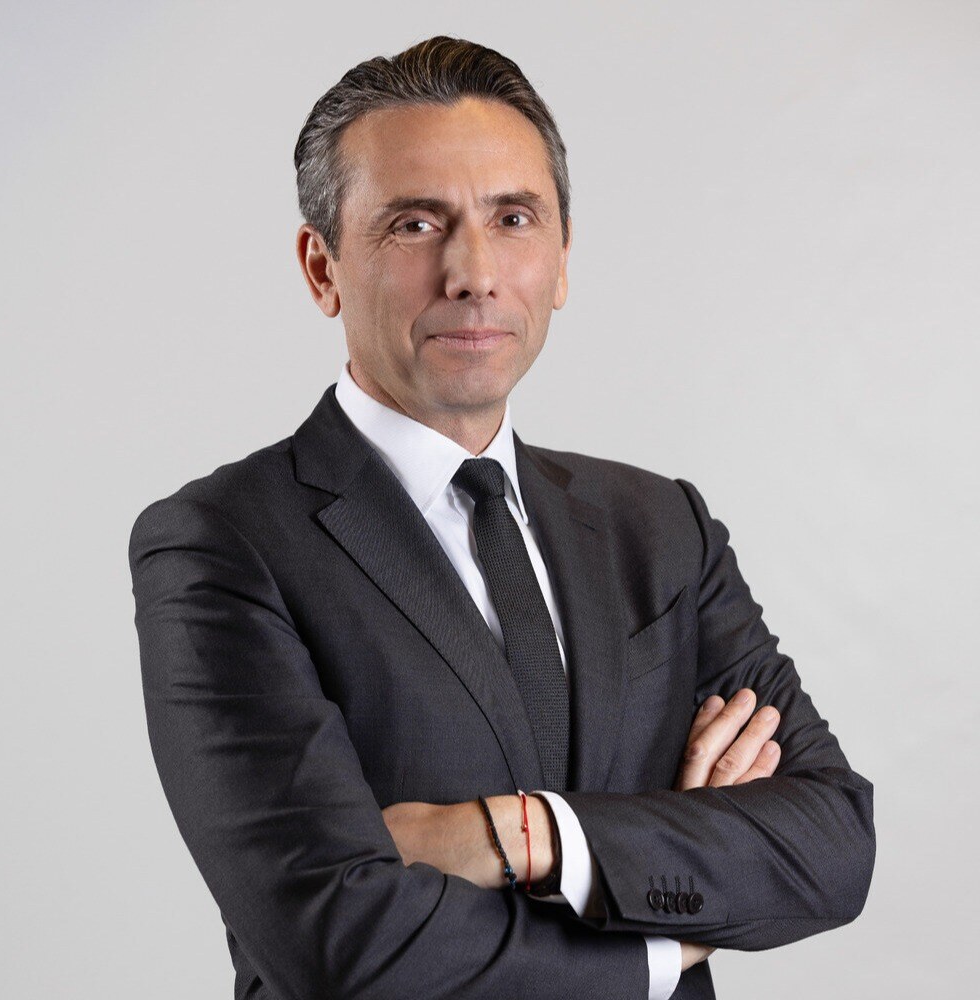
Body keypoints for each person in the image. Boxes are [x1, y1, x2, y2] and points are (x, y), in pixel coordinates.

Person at [128, 35, 874, 1000]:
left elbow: (831, 844)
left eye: (512, 218)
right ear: (322, 268)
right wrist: (660, 946)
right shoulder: (223, 544)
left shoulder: (660, 528)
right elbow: (339, 942)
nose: (473, 272)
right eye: (414, 224)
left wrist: (522, 835)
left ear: (560, 261)